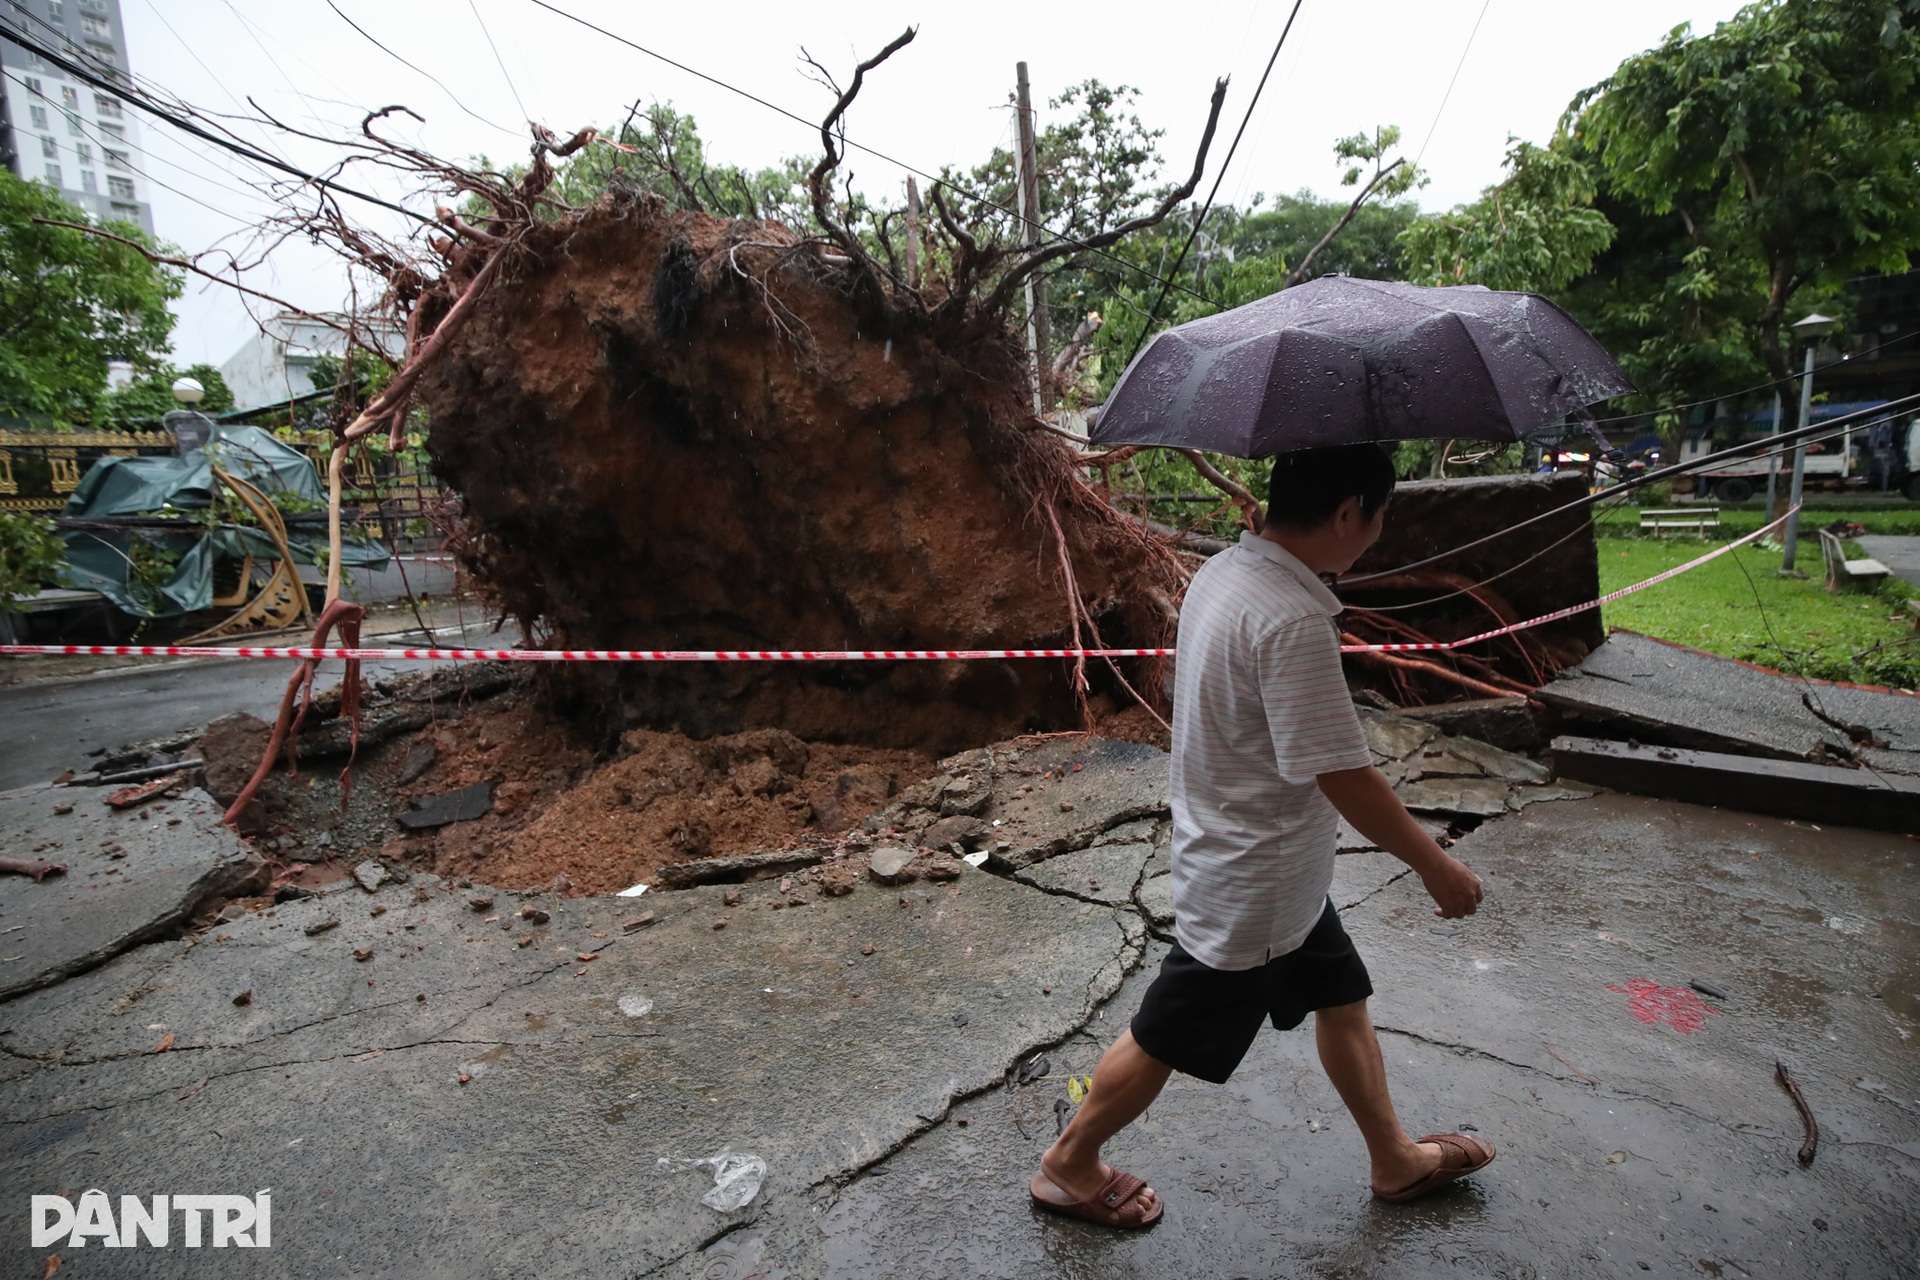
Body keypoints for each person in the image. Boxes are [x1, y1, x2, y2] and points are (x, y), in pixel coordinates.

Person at [1028, 443, 1493, 1229]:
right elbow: (1341, 773)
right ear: (1349, 513)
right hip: (1258, 882)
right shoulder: (1292, 618)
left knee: (1343, 997)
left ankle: (1395, 1158)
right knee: (1168, 1031)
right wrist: (1435, 865)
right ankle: (1068, 1164)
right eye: (1378, 519)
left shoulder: (1224, 573)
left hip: (1266, 859)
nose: (1375, 537)